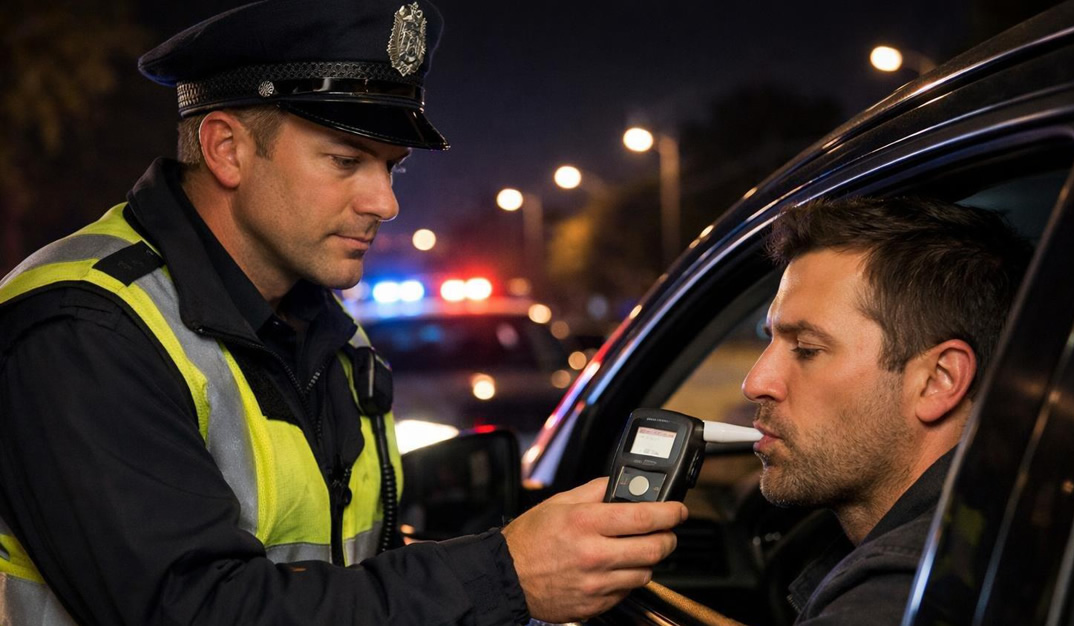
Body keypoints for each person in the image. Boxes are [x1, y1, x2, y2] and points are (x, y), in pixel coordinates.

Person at [0, 1, 686, 624]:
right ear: (226, 148)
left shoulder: (332, 336)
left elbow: (338, 566)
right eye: (345, 160)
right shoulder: (83, 328)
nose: (383, 202)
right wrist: (502, 574)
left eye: (391, 167)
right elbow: (193, 608)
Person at [742, 196, 1031, 624]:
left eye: (806, 349)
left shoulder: (904, 597)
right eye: (770, 340)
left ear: (938, 381)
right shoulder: (1001, 525)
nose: (755, 383)